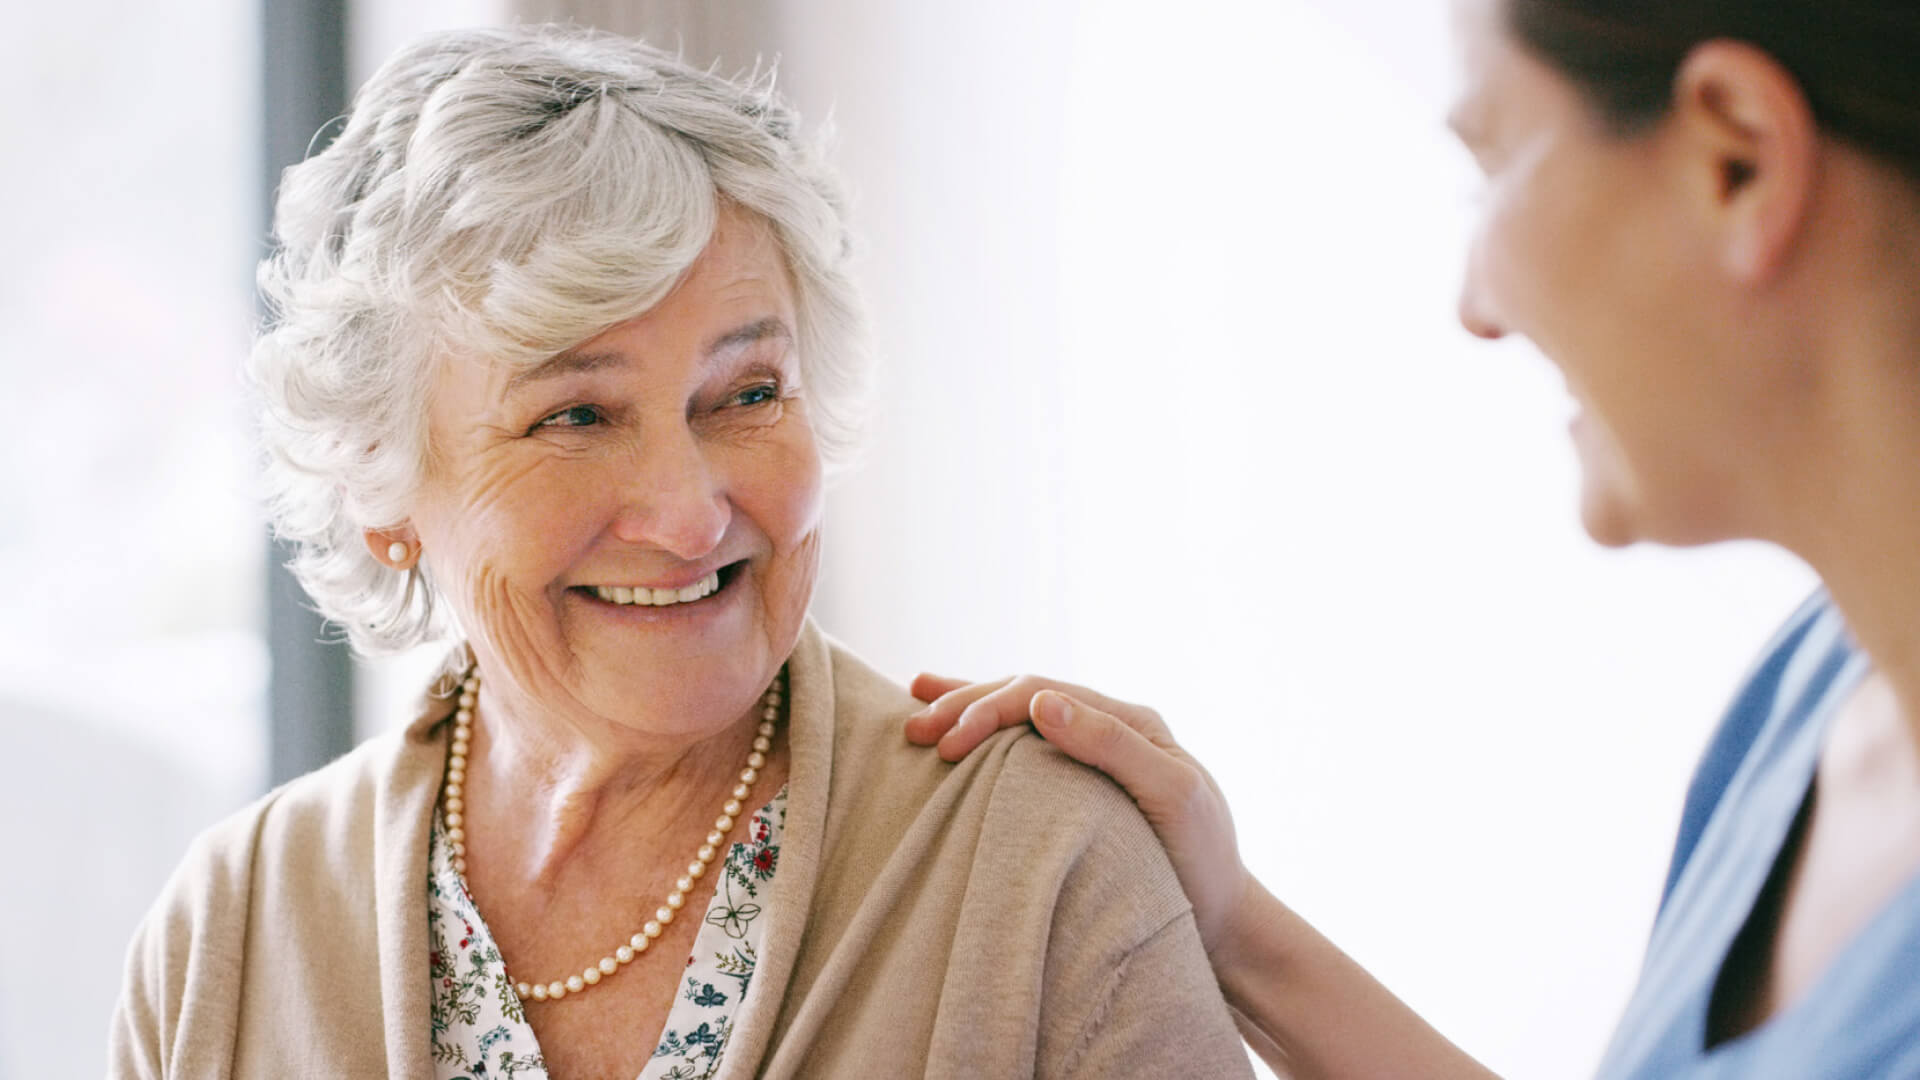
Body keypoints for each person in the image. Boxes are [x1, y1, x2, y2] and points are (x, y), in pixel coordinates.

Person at [108, 26, 1252, 1080]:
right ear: (380, 482)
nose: (690, 515)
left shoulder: (1045, 872)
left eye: (746, 393)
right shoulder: (230, 932)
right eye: (577, 417)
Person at [907, 0, 1920, 1075]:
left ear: (1738, 160)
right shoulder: (1806, 703)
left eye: (1492, 167)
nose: (1477, 304)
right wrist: (1232, 923)